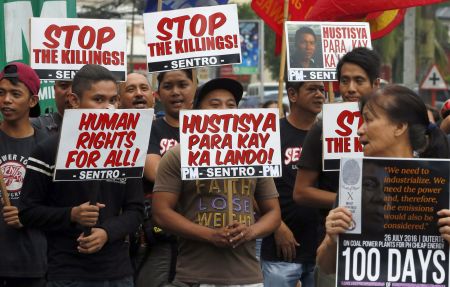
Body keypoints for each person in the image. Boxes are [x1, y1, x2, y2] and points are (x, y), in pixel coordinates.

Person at [19, 64, 144, 287]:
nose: (108, 109)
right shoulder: (48, 150)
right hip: (67, 273)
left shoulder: (127, 150)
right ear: (74, 101)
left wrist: (106, 232)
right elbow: (28, 212)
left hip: (118, 274)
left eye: (113, 100)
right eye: (98, 100)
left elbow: (135, 211)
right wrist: (72, 214)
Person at [152, 78, 281, 286]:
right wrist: (210, 235)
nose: (224, 110)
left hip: (248, 277)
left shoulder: (255, 155)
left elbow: (274, 213)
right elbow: (161, 213)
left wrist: (250, 232)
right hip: (195, 276)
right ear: (196, 111)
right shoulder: (178, 155)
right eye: (214, 104)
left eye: (231, 105)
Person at [316, 84, 449, 277]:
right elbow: (326, 268)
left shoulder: (441, 185)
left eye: (368, 120)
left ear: (400, 127)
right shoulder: (353, 184)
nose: (359, 130)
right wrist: (332, 239)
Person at [293, 47, 381, 225]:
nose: (350, 89)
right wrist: (352, 202)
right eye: (344, 81)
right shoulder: (323, 127)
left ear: (376, 84)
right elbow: (301, 192)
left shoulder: (391, 125)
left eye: (359, 80)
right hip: (335, 234)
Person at [260, 80, 326, 287]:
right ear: (292, 94)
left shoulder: (331, 136)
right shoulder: (271, 134)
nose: (320, 95)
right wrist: (277, 226)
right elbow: (254, 188)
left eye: (322, 90)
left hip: (322, 250)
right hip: (280, 252)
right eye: (312, 89)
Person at [135, 69, 196, 287]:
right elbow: (155, 172)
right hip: (162, 238)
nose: (176, 92)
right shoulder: (149, 130)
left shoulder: (210, 130)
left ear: (194, 86)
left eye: (183, 84)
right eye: (168, 86)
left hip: (205, 236)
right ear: (158, 94)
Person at [0, 62, 46, 287]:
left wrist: (28, 216)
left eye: (15, 94)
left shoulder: (46, 146)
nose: (6, 99)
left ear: (33, 100)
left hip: (32, 263)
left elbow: (58, 206)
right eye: (1, 92)